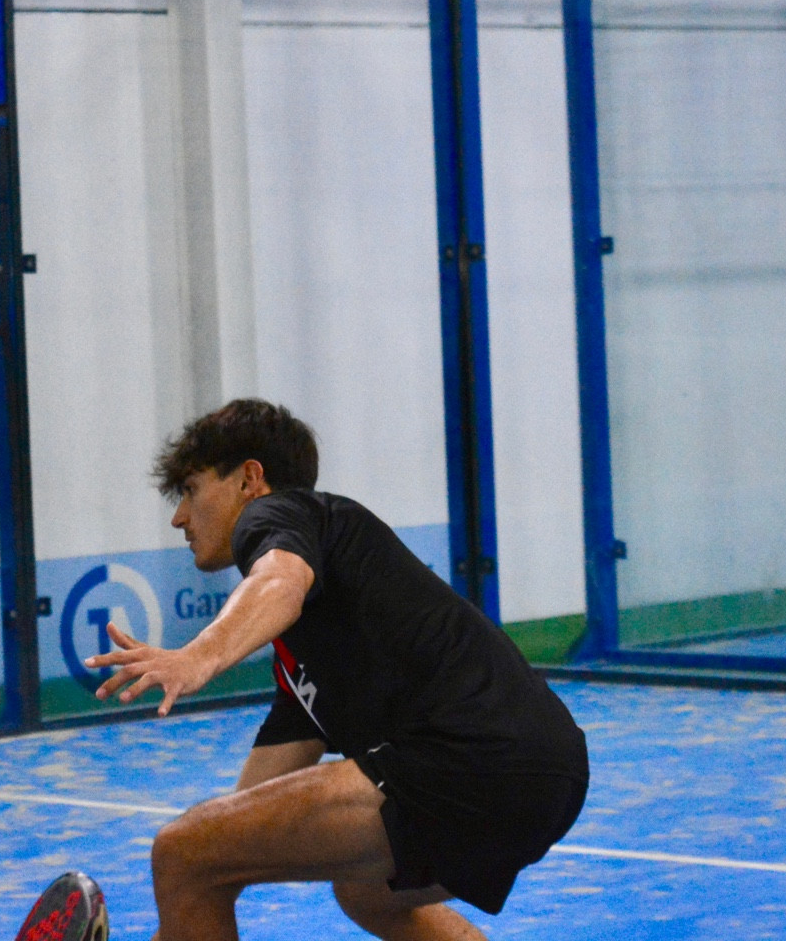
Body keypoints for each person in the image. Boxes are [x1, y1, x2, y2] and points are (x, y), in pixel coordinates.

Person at [86, 399, 589, 941]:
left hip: (473, 756)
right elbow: (235, 826)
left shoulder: (276, 514)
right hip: (548, 777)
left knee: (182, 852)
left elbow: (278, 582)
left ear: (250, 479)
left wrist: (197, 656)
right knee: (359, 891)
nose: (179, 517)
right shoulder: (307, 658)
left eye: (190, 489)